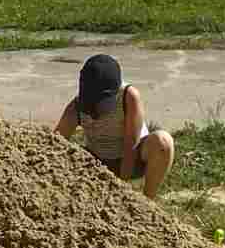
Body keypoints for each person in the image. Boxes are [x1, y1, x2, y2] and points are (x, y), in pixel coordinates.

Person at [54, 53, 176, 198]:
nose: (96, 110)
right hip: (97, 164)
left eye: (101, 104)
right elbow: (54, 143)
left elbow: (131, 145)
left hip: (132, 158)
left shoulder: (128, 97)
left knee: (163, 142)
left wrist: (121, 190)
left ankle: (148, 203)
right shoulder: (76, 107)